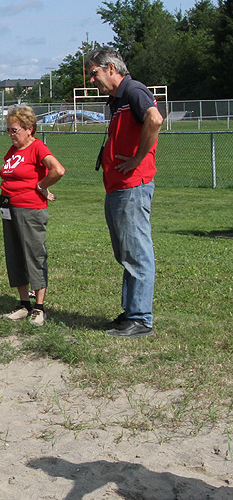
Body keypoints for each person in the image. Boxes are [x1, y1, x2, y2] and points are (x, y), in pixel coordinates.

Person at [87, 47, 163, 338]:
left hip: (133, 186)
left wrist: (138, 159)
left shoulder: (133, 89)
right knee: (126, 252)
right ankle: (130, 312)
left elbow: (154, 120)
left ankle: (141, 318)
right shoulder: (117, 100)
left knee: (136, 251)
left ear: (111, 68)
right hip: (119, 187)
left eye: (94, 73)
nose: (92, 80)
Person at [0, 106, 65, 326]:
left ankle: (39, 307)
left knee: (34, 255)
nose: (10, 134)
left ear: (29, 129)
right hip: (9, 207)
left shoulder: (37, 147)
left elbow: (58, 169)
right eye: (8, 130)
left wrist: (41, 186)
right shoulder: (12, 150)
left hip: (30, 209)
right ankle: (23, 304)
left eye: (14, 130)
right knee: (15, 254)